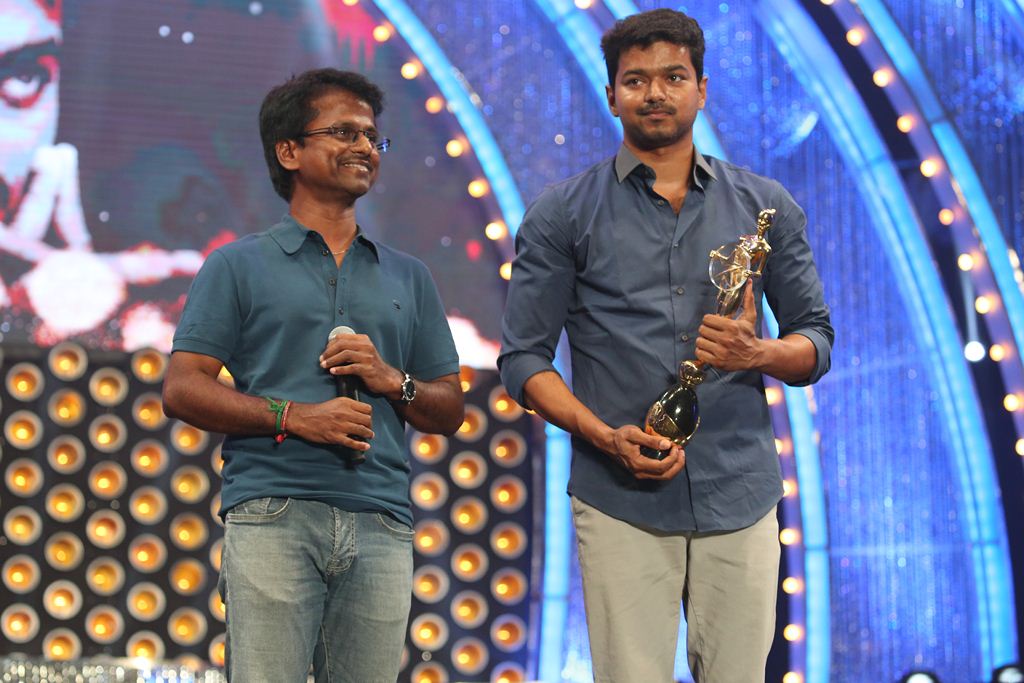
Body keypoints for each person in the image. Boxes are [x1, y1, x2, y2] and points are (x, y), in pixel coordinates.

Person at [498, 9, 833, 683]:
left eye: (673, 77)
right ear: (611, 95)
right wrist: (604, 436)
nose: (655, 93)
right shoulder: (562, 213)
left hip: (740, 488)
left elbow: (815, 342)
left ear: (701, 89)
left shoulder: (764, 206)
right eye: (636, 80)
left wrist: (758, 354)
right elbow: (523, 359)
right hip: (619, 492)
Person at [162, 68, 464, 682]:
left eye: (372, 137)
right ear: (289, 151)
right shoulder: (237, 264)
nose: (364, 147)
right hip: (272, 510)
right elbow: (183, 387)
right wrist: (294, 417)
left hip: (382, 518)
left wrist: (390, 379)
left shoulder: (409, 276)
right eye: (344, 132)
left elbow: (449, 408)